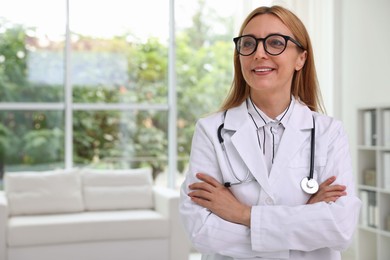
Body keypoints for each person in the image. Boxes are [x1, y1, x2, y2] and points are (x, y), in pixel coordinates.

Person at [179, 5, 361, 260]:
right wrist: (305, 219)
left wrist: (242, 214)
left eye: (275, 43)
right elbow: (202, 231)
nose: (259, 53)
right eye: (249, 44)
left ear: (301, 58)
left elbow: (340, 229)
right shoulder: (211, 131)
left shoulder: (329, 132)